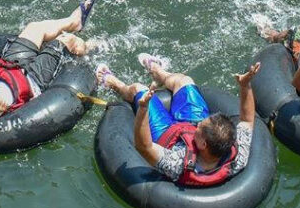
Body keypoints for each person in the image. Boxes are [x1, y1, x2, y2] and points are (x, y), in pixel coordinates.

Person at [96, 55, 260, 186]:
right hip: (189, 122)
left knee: (139, 89)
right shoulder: (238, 156)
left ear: (203, 144)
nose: (198, 126)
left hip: (166, 133)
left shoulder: (178, 163)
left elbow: (143, 147)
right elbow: (246, 120)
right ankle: (158, 73)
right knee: (185, 81)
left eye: (200, 129)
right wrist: (245, 85)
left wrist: (143, 109)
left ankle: (114, 84)